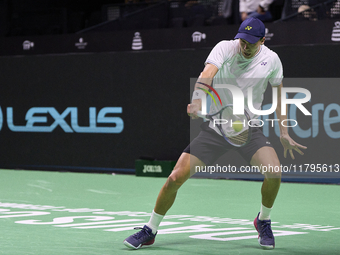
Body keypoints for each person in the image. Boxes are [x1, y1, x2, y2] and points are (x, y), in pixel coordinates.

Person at [123, 17, 306, 250]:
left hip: (250, 130)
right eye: (242, 40)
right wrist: (197, 100)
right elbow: (207, 73)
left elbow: (279, 95)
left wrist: (284, 132)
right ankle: (150, 230)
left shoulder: (272, 60)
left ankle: (263, 221)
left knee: (274, 173)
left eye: (251, 42)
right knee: (175, 178)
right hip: (216, 128)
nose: (245, 46)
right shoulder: (225, 47)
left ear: (262, 40)